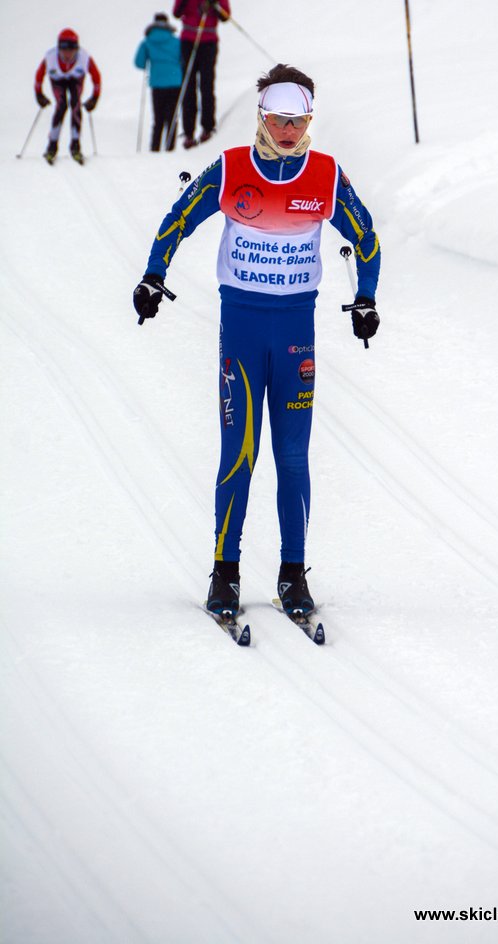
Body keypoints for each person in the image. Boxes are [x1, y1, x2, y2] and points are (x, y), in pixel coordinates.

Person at [133, 63, 381, 618]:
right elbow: (178, 220)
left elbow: (365, 235)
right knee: (238, 454)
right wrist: (154, 275)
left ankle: (293, 575)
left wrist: (366, 296)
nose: (288, 129)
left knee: (292, 456)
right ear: (262, 116)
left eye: (298, 119)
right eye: (278, 118)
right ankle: (226, 574)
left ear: (309, 118)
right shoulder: (231, 169)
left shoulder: (325, 175)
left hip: (296, 333)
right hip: (242, 331)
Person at [172, 0, 230, 149]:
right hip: (188, 40)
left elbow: (226, 17)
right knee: (188, 85)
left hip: (208, 43)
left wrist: (215, 6)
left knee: (206, 84)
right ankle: (188, 133)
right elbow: (176, 12)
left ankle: (207, 128)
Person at [34, 28, 101, 164]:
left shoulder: (84, 57)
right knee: (61, 106)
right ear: (58, 48)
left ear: (77, 49)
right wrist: (39, 95)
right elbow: (39, 77)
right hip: (57, 80)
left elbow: (96, 77)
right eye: (64, 49)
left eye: (72, 49)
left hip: (76, 79)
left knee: (75, 104)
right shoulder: (50, 57)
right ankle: (52, 146)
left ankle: (75, 146)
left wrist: (94, 98)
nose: (68, 53)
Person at [134, 12, 183, 151]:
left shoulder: (147, 42)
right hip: (175, 82)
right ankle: (170, 148)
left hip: (157, 83)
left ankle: (155, 148)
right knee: (172, 117)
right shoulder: (176, 41)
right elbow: (183, 59)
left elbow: (139, 63)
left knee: (158, 119)